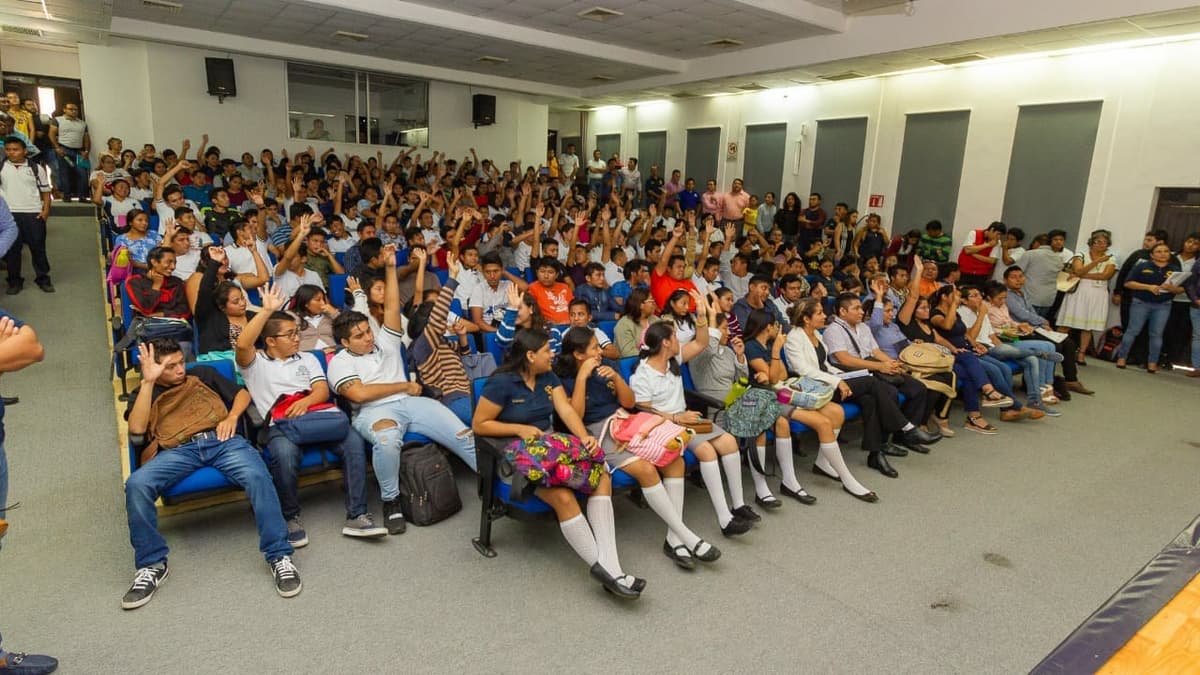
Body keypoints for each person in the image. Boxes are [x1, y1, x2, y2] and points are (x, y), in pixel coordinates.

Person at [123, 338, 301, 609]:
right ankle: (152, 564)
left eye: (181, 362)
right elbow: (136, 429)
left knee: (257, 476)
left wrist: (231, 417)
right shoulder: (145, 391)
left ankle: (279, 555)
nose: (181, 370)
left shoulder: (201, 374)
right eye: (170, 367)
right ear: (155, 367)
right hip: (178, 450)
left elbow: (242, 394)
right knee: (136, 484)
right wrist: (148, 383)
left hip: (222, 440)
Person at [473, 328, 643, 598]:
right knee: (563, 497)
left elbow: (565, 410)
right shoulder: (502, 383)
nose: (553, 355)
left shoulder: (548, 377)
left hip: (553, 449)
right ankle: (610, 572)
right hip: (519, 457)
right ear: (530, 355)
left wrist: (585, 437)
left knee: (601, 476)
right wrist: (518, 429)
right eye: (546, 351)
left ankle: (611, 567)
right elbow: (479, 425)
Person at [328, 249, 478, 536]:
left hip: (411, 403)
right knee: (386, 441)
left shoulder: (384, 340)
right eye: (359, 336)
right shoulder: (340, 362)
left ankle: (495, 486)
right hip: (373, 412)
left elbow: (394, 306)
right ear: (345, 342)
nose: (368, 337)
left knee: (464, 436)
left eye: (367, 331)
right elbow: (358, 395)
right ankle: (391, 500)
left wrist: (391, 267)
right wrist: (403, 385)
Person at [555, 327, 721, 569]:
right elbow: (576, 417)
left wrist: (615, 378)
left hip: (626, 421)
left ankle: (674, 539)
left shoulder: (605, 367)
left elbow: (630, 403)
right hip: (596, 430)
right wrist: (582, 377)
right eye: (594, 348)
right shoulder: (562, 377)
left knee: (676, 459)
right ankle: (686, 535)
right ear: (579, 354)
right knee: (646, 470)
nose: (600, 352)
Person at [235, 283, 386, 545]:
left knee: (352, 441)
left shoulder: (307, 359)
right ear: (270, 341)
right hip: (281, 425)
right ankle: (289, 516)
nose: (296, 338)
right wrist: (267, 311)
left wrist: (305, 403)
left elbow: (321, 391)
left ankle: (357, 515)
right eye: (289, 334)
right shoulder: (255, 364)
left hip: (317, 418)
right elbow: (243, 343)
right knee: (284, 453)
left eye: (296, 333)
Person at [630, 317, 758, 538]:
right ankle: (724, 518)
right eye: (674, 336)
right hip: (664, 425)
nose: (679, 339)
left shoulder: (673, 359)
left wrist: (701, 317)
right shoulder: (642, 374)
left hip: (685, 419)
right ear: (665, 342)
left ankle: (738, 504)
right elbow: (644, 413)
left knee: (728, 441)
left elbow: (701, 342)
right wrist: (677, 418)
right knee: (707, 451)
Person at [741, 309, 876, 504]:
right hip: (771, 397)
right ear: (767, 327)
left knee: (836, 412)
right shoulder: (752, 347)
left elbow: (782, 377)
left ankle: (822, 463)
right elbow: (772, 379)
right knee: (822, 423)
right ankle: (848, 479)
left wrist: (774, 364)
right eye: (776, 325)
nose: (779, 329)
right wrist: (776, 354)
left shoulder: (770, 343)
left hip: (788, 391)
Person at [813, 294, 942, 459]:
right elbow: (844, 359)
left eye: (861, 307)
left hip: (873, 366)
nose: (861, 312)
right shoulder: (833, 330)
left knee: (918, 388)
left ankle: (906, 436)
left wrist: (893, 364)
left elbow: (875, 351)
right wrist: (880, 366)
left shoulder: (863, 327)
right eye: (856, 308)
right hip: (852, 371)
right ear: (842, 311)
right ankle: (884, 442)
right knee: (889, 393)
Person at [963, 284, 1062, 417]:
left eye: (979, 295)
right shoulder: (964, 313)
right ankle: (1037, 353)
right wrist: (981, 315)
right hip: (980, 348)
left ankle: (1035, 401)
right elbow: (971, 338)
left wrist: (1004, 348)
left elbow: (992, 336)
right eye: (974, 296)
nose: (979, 298)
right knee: (1007, 358)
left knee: (1030, 360)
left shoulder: (983, 310)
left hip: (993, 346)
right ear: (964, 300)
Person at [1003, 266, 1094, 395]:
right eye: (1013, 277)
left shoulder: (1022, 293)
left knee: (1069, 343)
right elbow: (1022, 314)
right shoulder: (1006, 295)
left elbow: (1031, 311)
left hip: (1033, 328)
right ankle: (1044, 382)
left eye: (1021, 276)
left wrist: (1041, 325)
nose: (1018, 280)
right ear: (1005, 280)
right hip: (1018, 331)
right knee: (1054, 346)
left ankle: (1071, 380)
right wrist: (1042, 321)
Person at [408, 254, 476, 425]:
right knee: (487, 423)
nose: (445, 322)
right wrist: (452, 278)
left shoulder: (442, 342)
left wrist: (462, 338)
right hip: (451, 399)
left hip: (468, 393)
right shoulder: (422, 346)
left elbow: (465, 357)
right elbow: (438, 316)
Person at [1115, 242, 1184, 373]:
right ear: (1152, 255)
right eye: (1159, 251)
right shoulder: (1142, 266)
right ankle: (1122, 357)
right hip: (1141, 303)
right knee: (1132, 331)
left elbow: (1181, 289)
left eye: (1166, 251)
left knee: (1156, 334)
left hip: (1163, 305)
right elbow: (1128, 283)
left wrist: (1172, 288)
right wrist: (1148, 287)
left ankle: (1152, 362)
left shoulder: (1175, 269)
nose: (1163, 254)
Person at [1, 137, 53, 294]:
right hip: (9, 215)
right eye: (8, 149)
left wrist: (45, 211)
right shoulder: (2, 167)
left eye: (15, 149)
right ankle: (14, 281)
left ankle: (43, 279)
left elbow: (45, 192)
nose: (11, 152)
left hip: (33, 214)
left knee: (38, 248)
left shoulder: (37, 168)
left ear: (24, 151)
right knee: (12, 250)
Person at [1056, 230, 1116, 365]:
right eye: (1098, 242)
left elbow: (1105, 276)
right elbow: (1078, 270)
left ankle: (1081, 353)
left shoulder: (1111, 258)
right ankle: (1056, 349)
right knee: (1066, 323)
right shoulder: (1081, 254)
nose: (1102, 245)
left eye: (1105, 242)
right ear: (1091, 242)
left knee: (1088, 327)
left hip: (1098, 294)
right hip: (1079, 292)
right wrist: (1098, 262)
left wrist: (1082, 275)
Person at [49, 102, 90, 201]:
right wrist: (57, 148)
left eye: (75, 109)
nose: (74, 111)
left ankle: (82, 196)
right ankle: (66, 196)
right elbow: (51, 134)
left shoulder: (82, 123)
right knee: (64, 173)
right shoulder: (58, 120)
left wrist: (86, 151)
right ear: (65, 110)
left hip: (79, 152)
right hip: (64, 149)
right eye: (71, 109)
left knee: (83, 174)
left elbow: (86, 138)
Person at [957, 221, 1006, 287]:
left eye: (1000, 235)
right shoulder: (974, 233)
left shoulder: (997, 242)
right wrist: (988, 245)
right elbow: (967, 250)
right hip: (965, 271)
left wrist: (974, 253)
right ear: (991, 230)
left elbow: (992, 260)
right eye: (998, 234)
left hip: (981, 274)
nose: (998, 237)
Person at [613, 286, 656, 357]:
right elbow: (629, 352)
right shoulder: (624, 324)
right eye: (651, 301)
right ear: (641, 305)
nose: (654, 303)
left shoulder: (655, 319)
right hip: (633, 363)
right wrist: (653, 357)